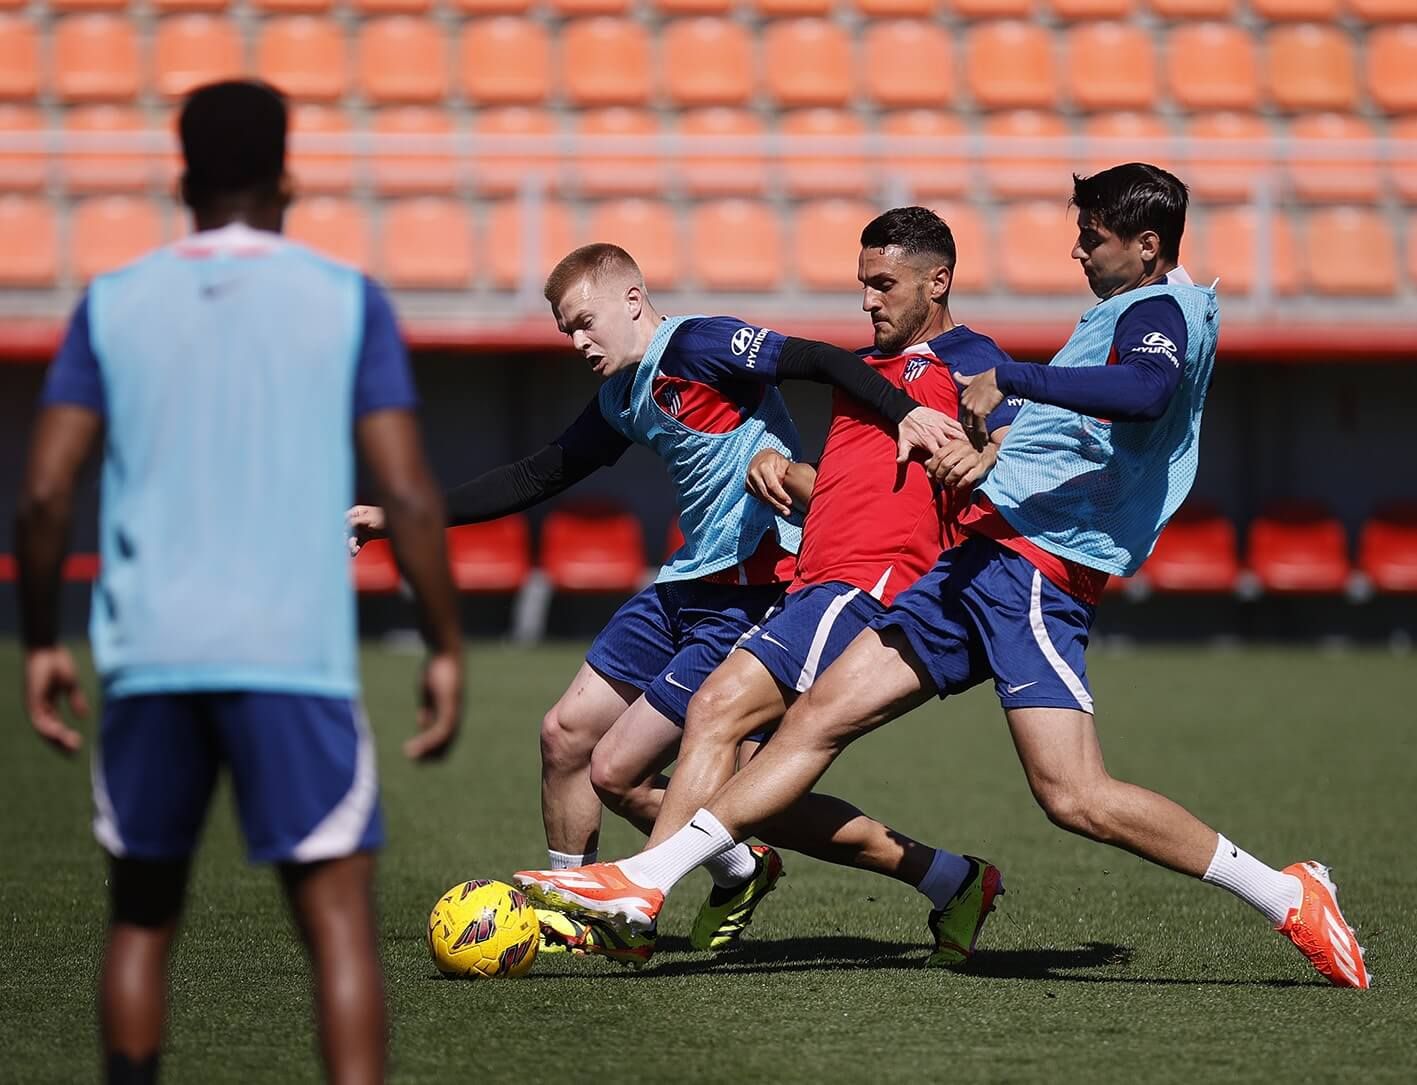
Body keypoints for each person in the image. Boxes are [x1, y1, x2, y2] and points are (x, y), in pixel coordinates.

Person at [513, 164, 1372, 991]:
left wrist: (1013, 383)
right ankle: (649, 881)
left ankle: (1286, 891)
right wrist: (981, 456)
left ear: (1147, 246)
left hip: (1034, 570)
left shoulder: (1163, 310)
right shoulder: (1114, 310)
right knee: (808, 722)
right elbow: (1037, 444)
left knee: (1072, 796)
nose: (1077, 252)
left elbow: (1144, 392)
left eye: (1092, 237)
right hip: (976, 563)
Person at [16, 80, 464, 1085]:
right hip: (289, 656)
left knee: (141, 918)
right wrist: (441, 642)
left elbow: (44, 493)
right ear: (288, 176)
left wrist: (41, 635)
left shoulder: (114, 301)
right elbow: (408, 492)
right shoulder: (347, 300)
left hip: (147, 652)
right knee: (338, 920)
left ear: (181, 179)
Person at [347, 243, 961, 960]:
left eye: (584, 322)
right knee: (565, 735)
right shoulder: (619, 396)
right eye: (564, 331)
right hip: (685, 584)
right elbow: (533, 475)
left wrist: (905, 414)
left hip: (755, 586)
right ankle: (591, 906)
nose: (576, 342)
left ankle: (911, 872)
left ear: (632, 300)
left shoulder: (700, 345)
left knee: (635, 774)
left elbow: (820, 359)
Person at [578, 207, 1020, 965]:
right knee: (751, 787)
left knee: (715, 712)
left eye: (883, 284)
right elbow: (856, 491)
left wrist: (991, 452)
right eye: (862, 285)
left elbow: (1018, 438)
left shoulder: (970, 362)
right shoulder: (868, 374)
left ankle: (634, 895)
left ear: (937, 280)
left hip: (870, 588)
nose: (867, 301)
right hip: (813, 581)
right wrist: (788, 474)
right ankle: (950, 879)